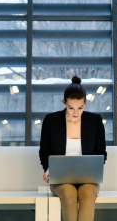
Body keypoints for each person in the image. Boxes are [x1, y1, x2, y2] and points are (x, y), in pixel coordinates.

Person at [39, 76, 107, 221]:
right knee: (68, 192)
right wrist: (48, 168)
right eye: (70, 108)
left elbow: (101, 153)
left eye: (80, 108)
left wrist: (95, 168)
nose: (75, 113)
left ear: (85, 103)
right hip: (60, 180)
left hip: (88, 179)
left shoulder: (95, 121)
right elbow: (44, 152)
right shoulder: (51, 121)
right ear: (64, 102)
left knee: (88, 192)